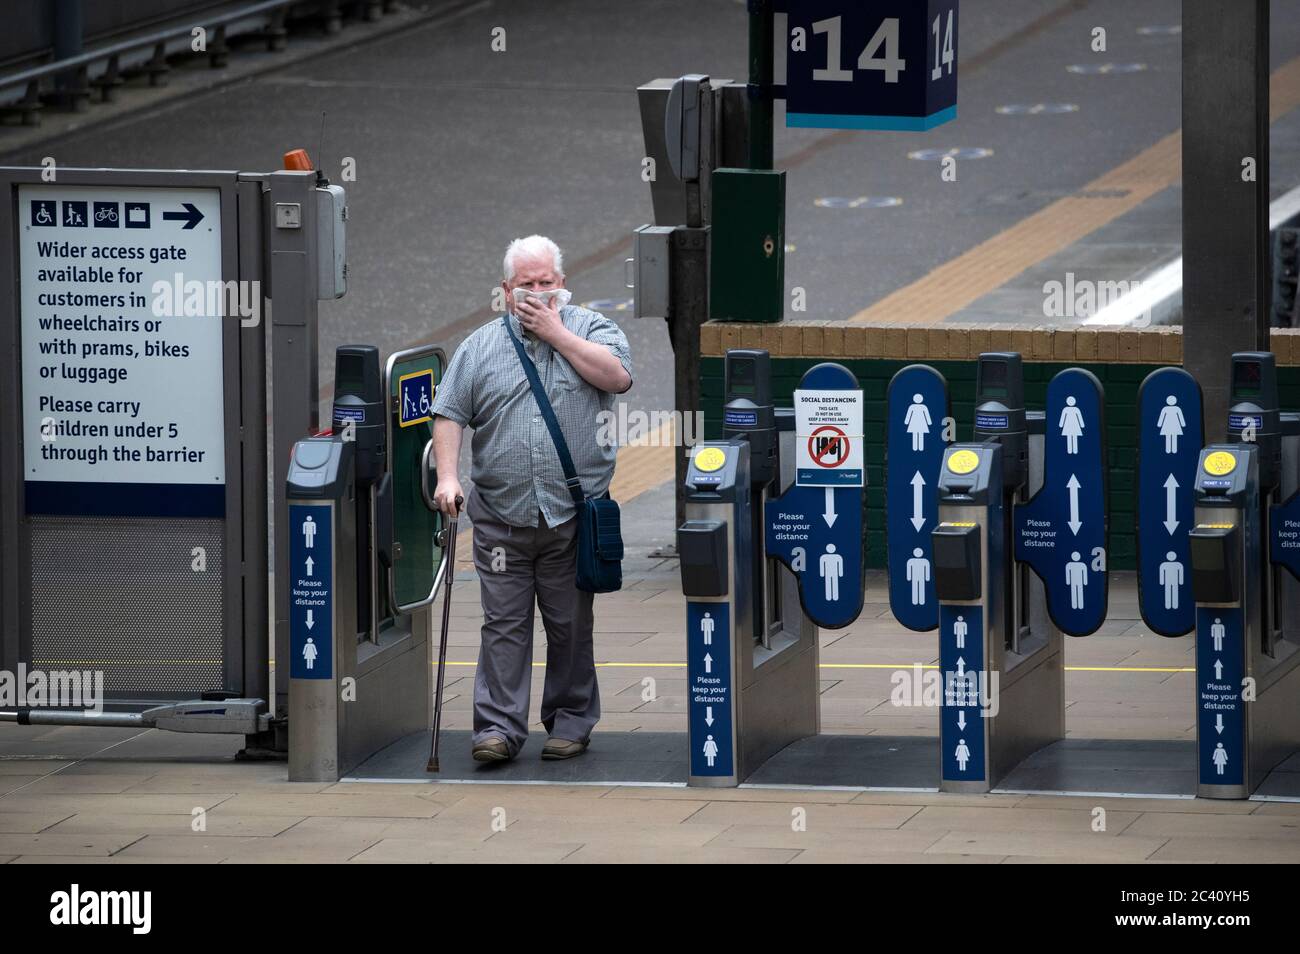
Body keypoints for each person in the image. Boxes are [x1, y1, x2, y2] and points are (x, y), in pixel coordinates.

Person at [430, 236, 632, 763]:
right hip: (501, 516)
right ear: (506, 290)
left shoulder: (594, 329)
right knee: (503, 626)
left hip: (572, 515)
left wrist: (558, 335)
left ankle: (570, 721)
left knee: (569, 625)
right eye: (527, 286)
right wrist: (448, 478)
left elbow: (617, 376)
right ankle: (497, 729)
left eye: (547, 283)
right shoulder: (480, 346)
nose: (538, 294)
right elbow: (449, 413)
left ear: (562, 284)